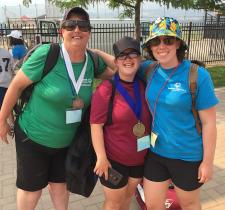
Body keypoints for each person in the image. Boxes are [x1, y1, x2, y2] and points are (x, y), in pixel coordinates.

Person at [0, 7, 114, 210]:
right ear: (61, 30)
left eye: (83, 26)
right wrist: (1, 120)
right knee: (31, 189)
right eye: (71, 25)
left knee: (61, 187)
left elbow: (122, 73)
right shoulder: (48, 54)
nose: (77, 29)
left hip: (67, 143)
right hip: (33, 138)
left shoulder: (92, 61)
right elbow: (16, 86)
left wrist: (97, 52)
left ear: (89, 32)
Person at [140, 17, 219, 210]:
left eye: (167, 40)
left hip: (188, 156)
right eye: (155, 41)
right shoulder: (149, 69)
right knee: (152, 205)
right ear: (150, 46)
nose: (161, 46)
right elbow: (122, 65)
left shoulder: (197, 75)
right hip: (156, 153)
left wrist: (207, 163)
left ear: (178, 43)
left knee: (189, 204)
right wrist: (87, 52)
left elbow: (209, 123)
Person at [90, 37, 151, 210]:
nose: (128, 59)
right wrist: (101, 157)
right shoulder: (106, 89)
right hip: (113, 160)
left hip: (139, 158)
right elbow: (96, 125)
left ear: (139, 59)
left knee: (127, 198)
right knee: (114, 203)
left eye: (133, 54)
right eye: (122, 56)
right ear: (116, 62)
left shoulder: (144, 84)